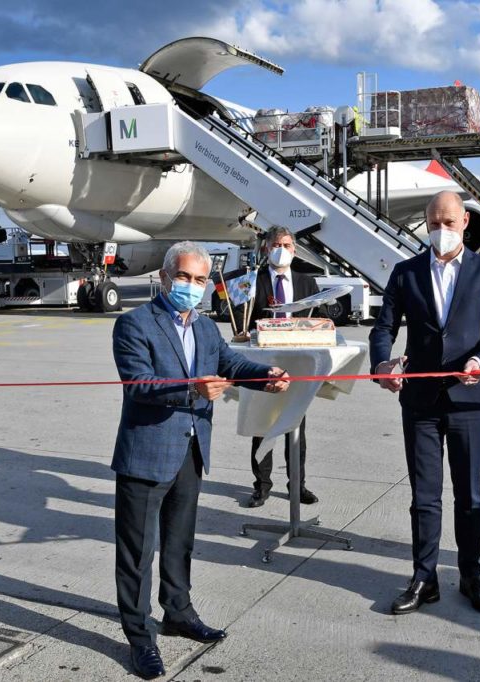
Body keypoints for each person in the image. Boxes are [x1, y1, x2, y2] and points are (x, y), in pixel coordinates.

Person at [112, 241, 290, 680]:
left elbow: (229, 363)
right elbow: (138, 384)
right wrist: (191, 390)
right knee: (137, 553)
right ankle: (139, 637)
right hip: (146, 453)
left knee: (179, 543)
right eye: (184, 278)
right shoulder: (134, 324)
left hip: (192, 450)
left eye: (199, 280)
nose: (191, 286)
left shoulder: (207, 328)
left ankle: (178, 612)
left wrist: (264, 376)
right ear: (166, 277)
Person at [370, 190, 480, 616]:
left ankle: (471, 573)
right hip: (420, 402)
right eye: (434, 223)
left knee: (469, 495)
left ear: (465, 223)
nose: (441, 231)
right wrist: (383, 363)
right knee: (424, 496)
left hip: (469, 399)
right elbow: (383, 328)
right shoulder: (405, 273)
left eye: (449, 223)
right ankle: (425, 577)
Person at [244, 226, 321, 508]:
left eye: (287, 245)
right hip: (264, 366)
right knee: (261, 426)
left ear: (294, 250)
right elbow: (243, 322)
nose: (281, 249)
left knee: (296, 427)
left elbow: (320, 320)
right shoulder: (254, 281)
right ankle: (261, 486)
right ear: (265, 248)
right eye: (276, 244)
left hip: (298, 366)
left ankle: (297, 485)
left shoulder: (306, 283)